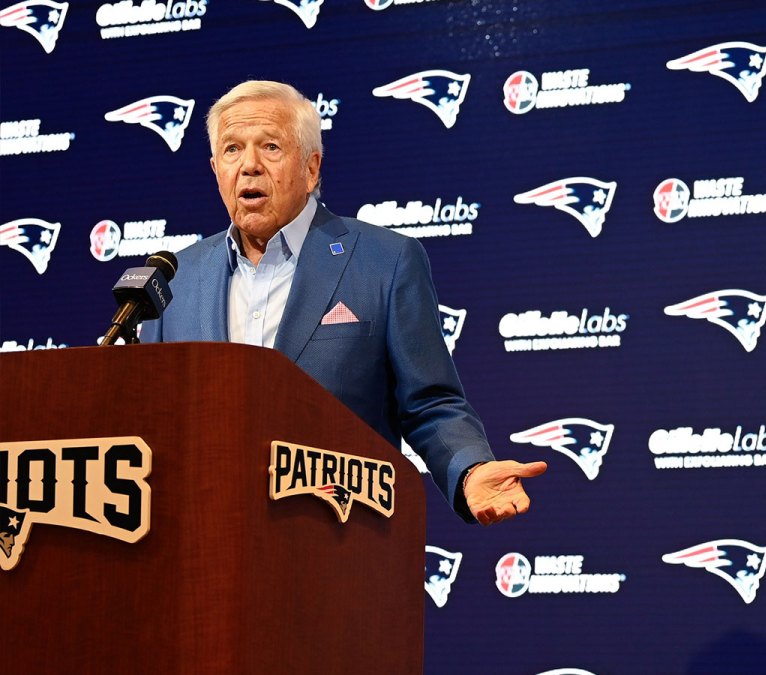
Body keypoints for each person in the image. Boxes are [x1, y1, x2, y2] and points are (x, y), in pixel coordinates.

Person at [141, 80, 545, 526]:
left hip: (338, 542)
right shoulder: (174, 278)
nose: (249, 166)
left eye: (270, 147)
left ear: (312, 168)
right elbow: (154, 418)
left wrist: (469, 469)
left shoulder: (385, 261)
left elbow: (429, 403)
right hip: (206, 541)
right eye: (233, 150)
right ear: (216, 168)